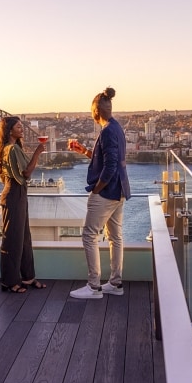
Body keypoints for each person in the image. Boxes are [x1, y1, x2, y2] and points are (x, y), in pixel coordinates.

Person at [68, 87, 131, 299]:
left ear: (95, 111)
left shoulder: (106, 132)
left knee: (88, 235)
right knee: (115, 237)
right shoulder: (117, 128)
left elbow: (110, 165)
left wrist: (96, 189)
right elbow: (105, 159)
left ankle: (94, 286)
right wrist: (85, 151)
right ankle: (115, 282)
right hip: (120, 190)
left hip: (107, 192)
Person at [0, 116, 47, 293]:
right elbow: (26, 172)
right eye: (18, 126)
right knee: (13, 241)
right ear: (10, 130)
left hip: (18, 194)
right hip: (14, 195)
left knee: (24, 238)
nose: (21, 128)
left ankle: (28, 277)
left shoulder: (12, 148)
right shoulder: (12, 149)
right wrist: (38, 152)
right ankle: (9, 282)